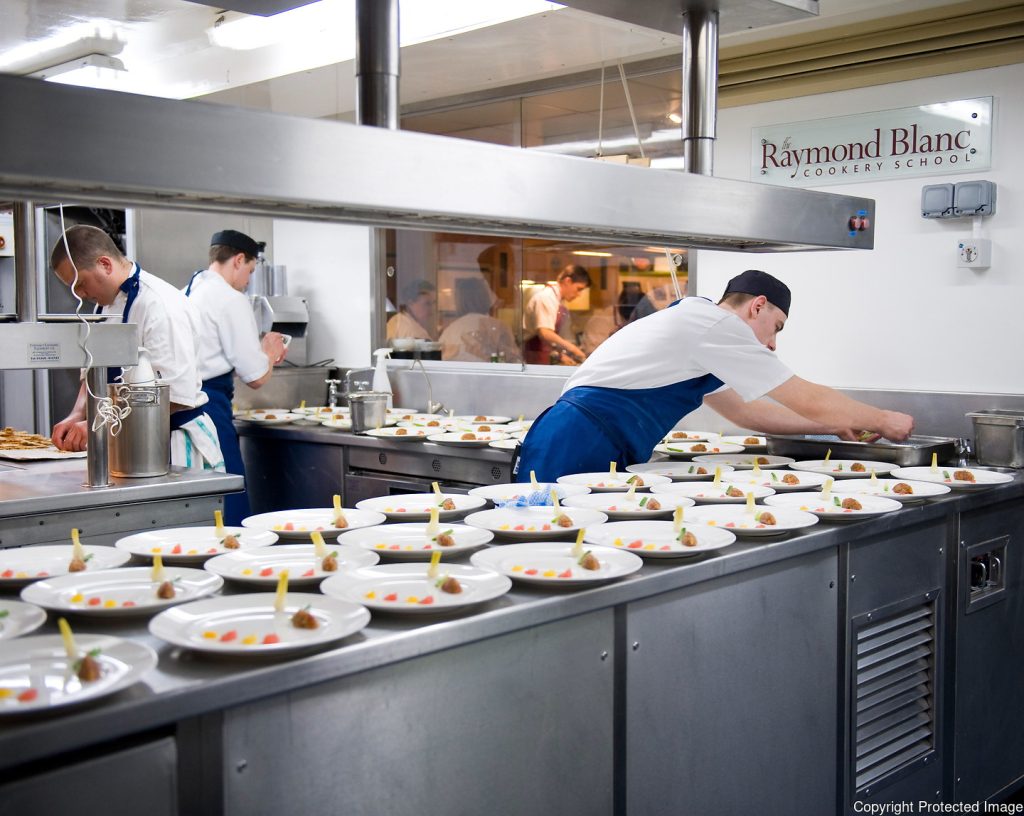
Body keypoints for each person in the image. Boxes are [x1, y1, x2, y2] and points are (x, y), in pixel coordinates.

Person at [517, 269, 914, 482]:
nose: (772, 344)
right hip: (578, 441)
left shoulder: (703, 330)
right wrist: (882, 419)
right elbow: (803, 395)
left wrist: (832, 425)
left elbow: (748, 413)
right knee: (552, 545)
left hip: (583, 438)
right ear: (757, 307)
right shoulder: (716, 325)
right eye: (776, 328)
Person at [49, 225, 224, 471]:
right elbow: (93, 373)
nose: (79, 295)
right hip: (125, 440)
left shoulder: (160, 305)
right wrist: (77, 415)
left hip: (170, 444)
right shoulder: (104, 307)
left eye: (80, 284)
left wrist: (99, 424)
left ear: (105, 264)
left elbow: (173, 397)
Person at [184, 230, 288, 523]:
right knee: (229, 495)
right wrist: (269, 351)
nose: (248, 281)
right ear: (239, 260)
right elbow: (256, 377)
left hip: (182, 410)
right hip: (211, 410)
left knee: (199, 502)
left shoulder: (188, 291)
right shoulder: (230, 299)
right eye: (250, 271)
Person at [439, 277, 522, 363]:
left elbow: (440, 361)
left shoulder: (450, 330)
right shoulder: (499, 327)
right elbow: (514, 362)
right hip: (489, 371)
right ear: (486, 297)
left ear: (458, 301)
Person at [523, 264, 591, 365]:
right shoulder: (546, 297)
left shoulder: (558, 300)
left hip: (544, 355)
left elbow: (549, 341)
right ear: (568, 281)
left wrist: (560, 356)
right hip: (534, 355)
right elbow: (545, 332)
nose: (579, 294)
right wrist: (573, 349)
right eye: (579, 289)